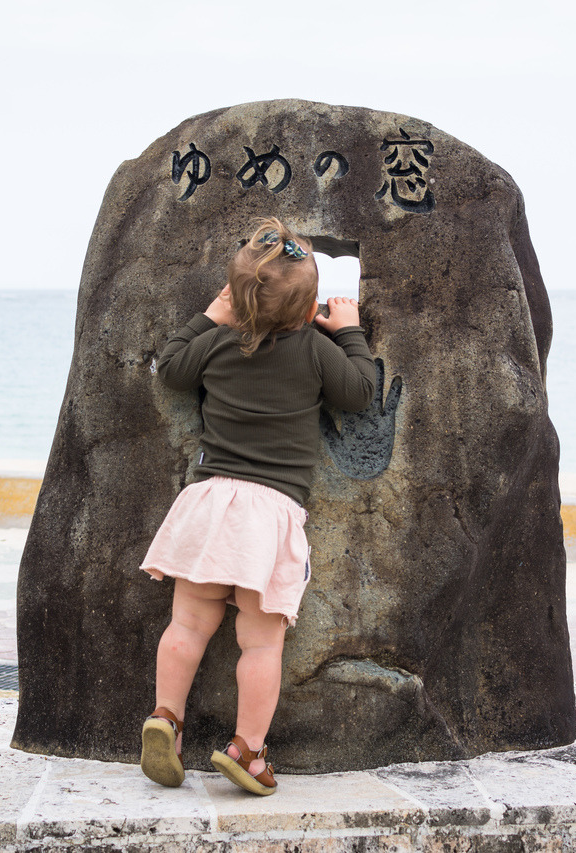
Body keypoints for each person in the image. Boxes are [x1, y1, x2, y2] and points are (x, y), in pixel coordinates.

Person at [138, 217, 376, 795]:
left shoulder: (219, 342)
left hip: (209, 502)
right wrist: (348, 330)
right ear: (310, 309)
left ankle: (166, 717)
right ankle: (247, 750)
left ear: (235, 297)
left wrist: (210, 317)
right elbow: (360, 392)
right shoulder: (316, 351)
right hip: (269, 515)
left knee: (187, 624)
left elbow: (171, 370)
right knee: (261, 642)